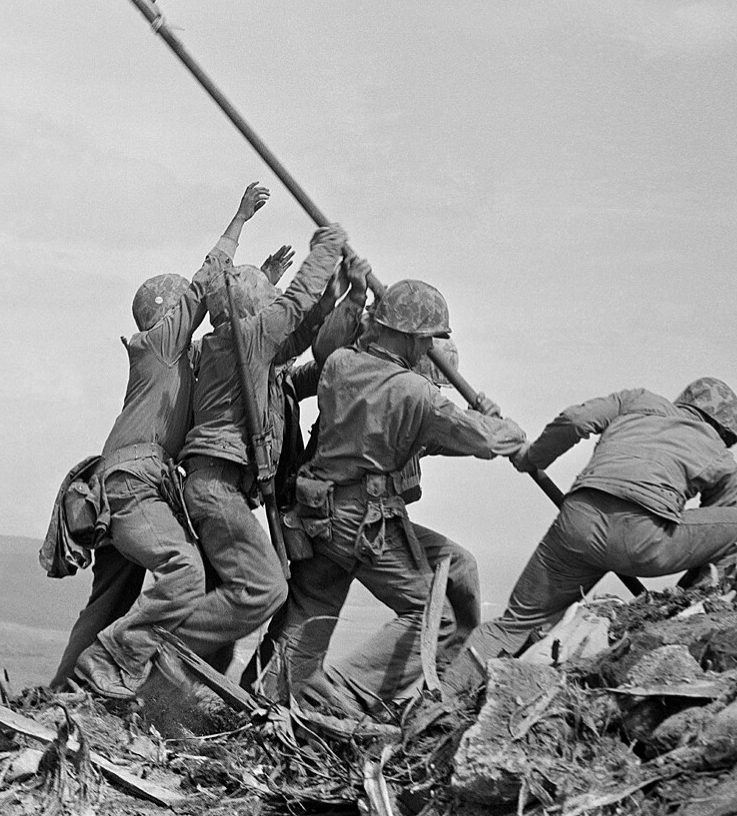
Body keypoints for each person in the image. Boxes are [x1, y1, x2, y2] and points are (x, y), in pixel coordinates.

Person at [264, 272, 527, 712]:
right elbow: (481, 439)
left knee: (311, 612)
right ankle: (341, 694)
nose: (429, 350)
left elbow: (426, 439)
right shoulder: (415, 392)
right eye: (427, 340)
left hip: (318, 513)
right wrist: (502, 425)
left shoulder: (341, 366)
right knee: (435, 618)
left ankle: (272, 697)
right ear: (410, 337)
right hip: (362, 522)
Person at [49, 241, 297, 691]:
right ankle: (116, 663)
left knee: (108, 602)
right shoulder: (154, 350)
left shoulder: (184, 359)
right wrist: (238, 223)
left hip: (126, 489)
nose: (192, 314)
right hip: (134, 488)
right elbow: (212, 298)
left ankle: (63, 691)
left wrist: (261, 280)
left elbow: (235, 339)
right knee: (185, 571)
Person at [440, 377, 737, 700]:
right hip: (644, 541)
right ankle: (692, 615)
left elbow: (575, 420)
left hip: (577, 524)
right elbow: (713, 539)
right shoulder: (722, 459)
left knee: (514, 623)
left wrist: (532, 458)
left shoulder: (638, 400)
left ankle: (441, 699)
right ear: (725, 430)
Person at [171, 219, 349, 661]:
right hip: (216, 488)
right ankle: (163, 645)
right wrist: (326, 249)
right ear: (254, 310)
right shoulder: (246, 339)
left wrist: (341, 293)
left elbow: (302, 331)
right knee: (265, 588)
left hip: (221, 487)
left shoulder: (236, 346)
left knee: (230, 614)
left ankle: (179, 683)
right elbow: (295, 306)